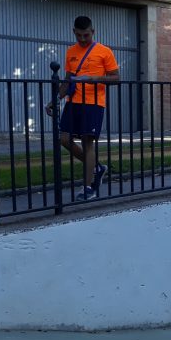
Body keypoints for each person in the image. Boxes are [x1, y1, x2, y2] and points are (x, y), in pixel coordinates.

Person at [46, 16, 120, 201]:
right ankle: (97, 167)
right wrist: (56, 99)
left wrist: (95, 79)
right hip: (74, 101)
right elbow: (68, 79)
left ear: (92, 32)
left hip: (94, 103)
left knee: (87, 143)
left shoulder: (104, 51)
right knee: (64, 139)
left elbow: (116, 78)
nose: (82, 39)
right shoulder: (71, 51)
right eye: (78, 35)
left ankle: (88, 188)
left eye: (86, 35)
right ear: (74, 32)